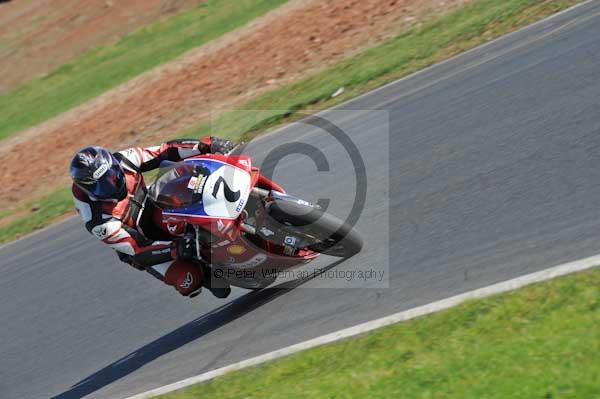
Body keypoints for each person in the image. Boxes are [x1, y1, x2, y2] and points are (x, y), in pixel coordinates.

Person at [69, 137, 235, 298]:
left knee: (187, 184)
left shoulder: (125, 159)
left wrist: (204, 146)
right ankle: (206, 270)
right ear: (88, 190)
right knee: (190, 281)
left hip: (154, 207)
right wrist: (176, 248)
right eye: (101, 185)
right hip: (145, 243)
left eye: (111, 175)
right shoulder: (97, 219)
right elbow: (138, 250)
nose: (111, 184)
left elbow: (165, 151)